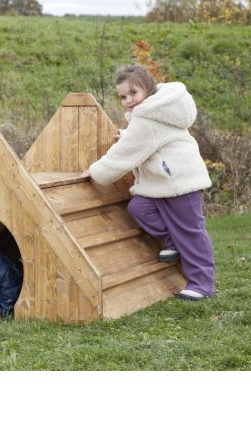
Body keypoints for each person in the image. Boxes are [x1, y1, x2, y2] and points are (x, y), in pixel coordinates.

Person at [82, 64, 215, 301]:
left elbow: (126, 152)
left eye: (133, 93)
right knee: (139, 207)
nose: (129, 100)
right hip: (165, 181)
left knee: (191, 232)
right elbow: (150, 137)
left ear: (148, 88)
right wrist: (127, 134)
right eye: (123, 97)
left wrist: (96, 171)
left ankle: (202, 284)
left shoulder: (148, 116)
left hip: (182, 181)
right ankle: (172, 242)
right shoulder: (158, 110)